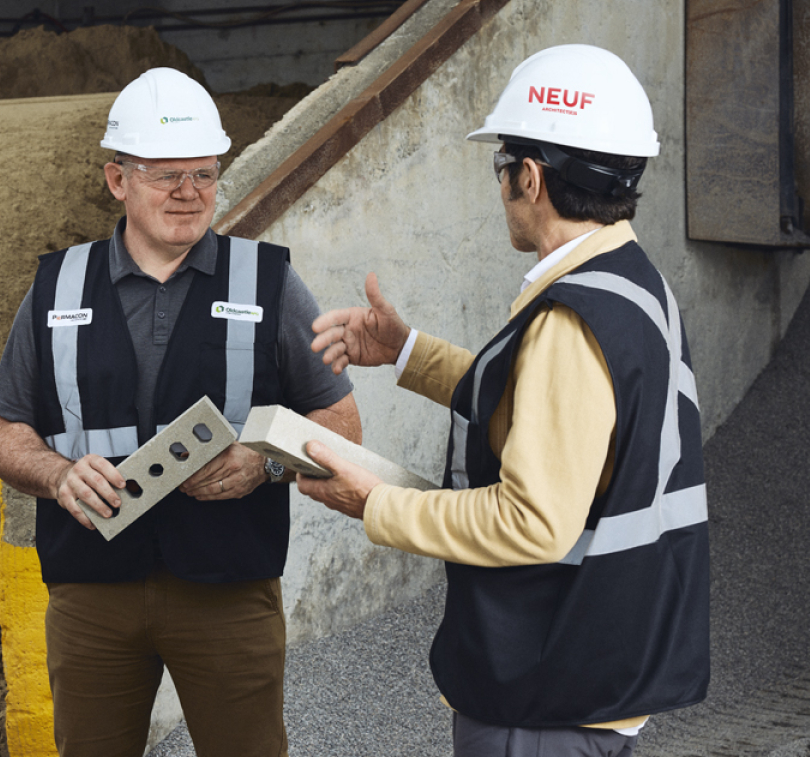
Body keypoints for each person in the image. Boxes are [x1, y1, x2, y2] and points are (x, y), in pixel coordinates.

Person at [299, 45, 709, 756]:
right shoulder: (632, 285)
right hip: (593, 674)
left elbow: (532, 523)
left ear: (531, 176)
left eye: (504, 171)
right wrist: (406, 351)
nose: (502, 191)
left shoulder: (570, 320)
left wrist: (373, 503)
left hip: (544, 697)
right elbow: (556, 416)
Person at [0, 67, 361, 757]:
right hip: (92, 593)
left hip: (227, 587)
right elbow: (1, 431)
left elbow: (342, 428)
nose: (189, 194)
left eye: (205, 174)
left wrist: (264, 463)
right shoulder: (56, 285)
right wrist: (57, 475)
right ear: (118, 180)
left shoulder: (267, 281)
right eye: (166, 176)